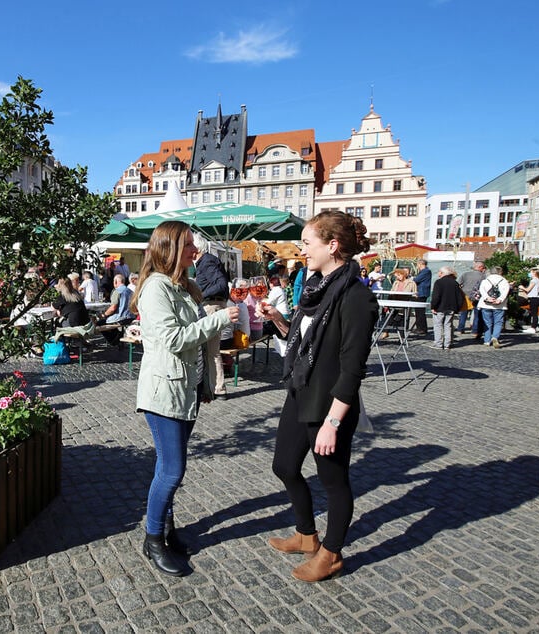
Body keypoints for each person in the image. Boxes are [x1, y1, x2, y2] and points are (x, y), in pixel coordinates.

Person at [256, 211, 378, 583]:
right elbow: (306, 338)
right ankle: (307, 535)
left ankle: (332, 553)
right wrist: (278, 318)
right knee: (285, 467)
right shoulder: (316, 289)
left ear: (332, 245)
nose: (302, 249)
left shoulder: (356, 297)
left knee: (334, 481)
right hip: (300, 392)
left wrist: (332, 422)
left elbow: (351, 369)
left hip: (329, 405)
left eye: (308, 243)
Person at [132, 220, 237, 577]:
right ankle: (153, 539)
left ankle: (167, 531)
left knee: (169, 468)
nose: (196, 250)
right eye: (190, 245)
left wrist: (204, 385)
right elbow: (176, 340)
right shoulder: (156, 289)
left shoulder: (182, 286)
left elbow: (195, 347)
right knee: (172, 469)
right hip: (163, 393)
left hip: (184, 390)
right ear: (171, 249)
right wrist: (219, 317)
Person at [193, 236, 231, 399]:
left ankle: (218, 388)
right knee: (209, 349)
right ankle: (211, 387)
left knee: (211, 350)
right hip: (214, 305)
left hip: (211, 306)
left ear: (196, 249)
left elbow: (221, 284)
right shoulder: (207, 261)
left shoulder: (207, 261)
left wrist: (200, 295)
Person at [95, 274, 134, 345]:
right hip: (131, 317)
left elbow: (113, 308)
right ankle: (118, 337)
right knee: (109, 321)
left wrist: (104, 314)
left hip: (120, 318)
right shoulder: (131, 291)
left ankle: (114, 341)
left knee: (99, 323)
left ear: (115, 282)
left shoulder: (117, 291)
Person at [477, 266, 510, 348]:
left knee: (487, 323)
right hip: (500, 305)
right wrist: (500, 299)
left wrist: (487, 298)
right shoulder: (504, 281)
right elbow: (506, 292)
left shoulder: (486, 280)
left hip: (486, 304)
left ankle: (487, 340)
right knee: (498, 322)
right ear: (501, 272)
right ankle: (495, 337)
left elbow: (482, 290)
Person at [430, 266, 462, 350]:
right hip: (451, 307)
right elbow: (459, 297)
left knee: (438, 326)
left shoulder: (439, 282)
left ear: (443, 273)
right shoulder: (455, 283)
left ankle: (439, 344)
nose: (438, 274)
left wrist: (433, 306)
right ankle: (447, 344)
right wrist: (458, 308)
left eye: (439, 272)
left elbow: (436, 296)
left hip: (440, 307)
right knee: (448, 325)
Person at [52, 277, 94, 341]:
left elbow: (53, 307)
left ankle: (63, 343)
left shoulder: (62, 296)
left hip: (74, 324)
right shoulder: (76, 293)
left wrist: (58, 310)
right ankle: (74, 342)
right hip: (85, 322)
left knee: (57, 322)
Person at [457, 261, 485, 336]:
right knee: (477, 314)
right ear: (480, 267)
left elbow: (458, 284)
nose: (484, 269)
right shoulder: (483, 276)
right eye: (483, 267)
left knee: (463, 313)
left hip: (465, 295)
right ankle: (474, 331)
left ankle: (460, 329)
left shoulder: (465, 274)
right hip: (477, 296)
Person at [519, 268, 539, 333]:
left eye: (531, 272)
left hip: (533, 298)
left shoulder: (534, 280)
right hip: (537, 298)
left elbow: (528, 290)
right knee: (535, 313)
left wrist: (521, 287)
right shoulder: (538, 280)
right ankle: (534, 326)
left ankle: (533, 327)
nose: (530, 273)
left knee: (534, 313)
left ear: (534, 273)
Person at [411, 259, 431, 336]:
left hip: (422, 293)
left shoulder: (426, 271)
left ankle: (422, 328)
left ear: (420, 264)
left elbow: (417, 279)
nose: (417, 266)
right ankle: (419, 327)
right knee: (418, 311)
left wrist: (412, 278)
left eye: (417, 265)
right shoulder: (423, 271)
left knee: (420, 311)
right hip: (421, 292)